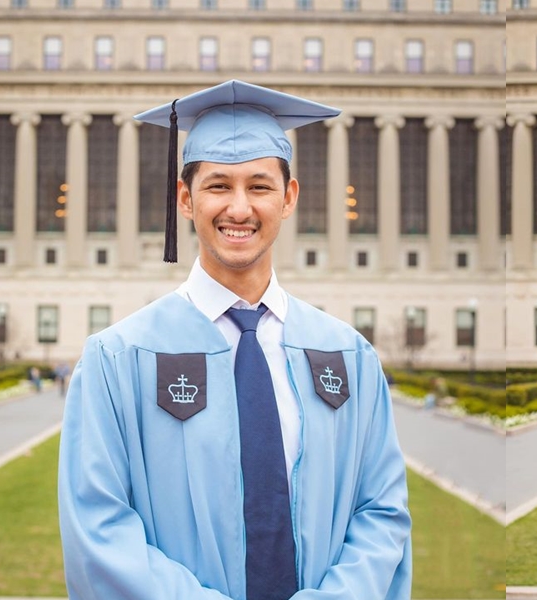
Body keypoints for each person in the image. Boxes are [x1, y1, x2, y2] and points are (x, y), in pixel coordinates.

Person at [57, 80, 411, 600]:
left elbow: (381, 511)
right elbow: (100, 527)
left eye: (260, 186)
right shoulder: (118, 359)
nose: (240, 208)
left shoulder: (348, 355)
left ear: (289, 198)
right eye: (218, 185)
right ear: (185, 198)